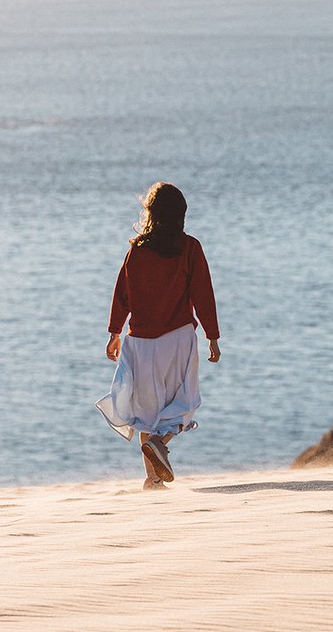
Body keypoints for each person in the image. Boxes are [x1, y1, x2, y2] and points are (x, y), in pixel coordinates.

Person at [95, 182, 221, 491]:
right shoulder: (190, 248)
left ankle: (153, 479)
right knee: (185, 402)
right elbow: (203, 294)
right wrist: (212, 336)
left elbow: (122, 294)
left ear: (150, 214)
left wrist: (114, 331)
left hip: (140, 343)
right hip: (177, 338)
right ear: (181, 215)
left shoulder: (136, 251)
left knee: (145, 413)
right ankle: (161, 444)